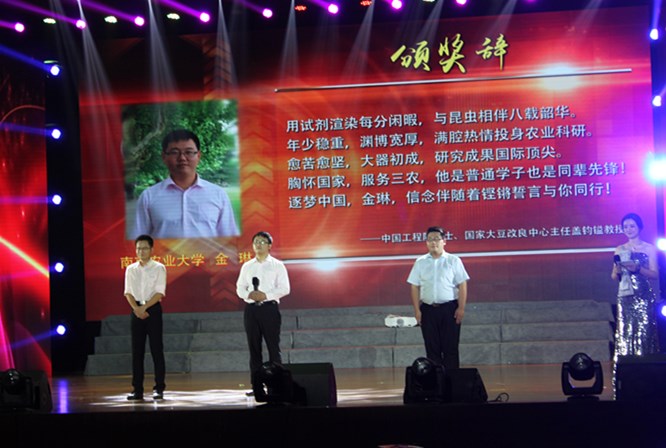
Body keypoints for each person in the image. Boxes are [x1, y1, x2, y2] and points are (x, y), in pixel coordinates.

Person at [133, 129, 239, 239]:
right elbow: (138, 239)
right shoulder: (149, 196)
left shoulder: (218, 194)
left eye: (189, 152)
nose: (182, 158)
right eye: (175, 152)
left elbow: (230, 238)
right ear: (164, 157)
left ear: (198, 156)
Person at [236, 231, 290, 399]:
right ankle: (257, 386)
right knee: (254, 349)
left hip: (269, 309)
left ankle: (277, 386)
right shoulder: (247, 266)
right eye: (256, 242)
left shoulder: (277, 265)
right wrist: (249, 295)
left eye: (262, 242)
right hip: (251, 310)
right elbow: (240, 288)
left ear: (269, 245)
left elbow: (285, 288)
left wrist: (265, 295)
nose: (258, 245)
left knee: (273, 348)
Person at [407, 226, 470, 371]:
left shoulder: (453, 260)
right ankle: (436, 382)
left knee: (450, 348)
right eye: (430, 239)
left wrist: (461, 308)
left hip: (449, 309)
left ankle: (452, 381)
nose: (433, 242)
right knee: (432, 348)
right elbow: (414, 286)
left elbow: (462, 284)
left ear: (444, 241)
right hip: (428, 310)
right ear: (426, 242)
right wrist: (417, 311)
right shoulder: (420, 262)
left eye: (436, 239)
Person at [610, 212, 660, 396]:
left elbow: (655, 275)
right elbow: (614, 276)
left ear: (639, 227)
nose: (629, 229)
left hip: (644, 296)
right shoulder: (619, 249)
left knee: (645, 334)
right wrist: (617, 270)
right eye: (625, 227)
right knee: (626, 334)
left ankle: (649, 381)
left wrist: (637, 268)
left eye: (632, 226)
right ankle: (626, 381)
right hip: (625, 297)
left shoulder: (649, 248)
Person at [124, 234, 167, 400]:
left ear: (151, 250)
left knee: (156, 349)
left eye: (144, 248)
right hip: (136, 310)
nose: (141, 251)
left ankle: (159, 388)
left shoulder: (159, 268)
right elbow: (128, 292)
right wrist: (136, 308)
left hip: (152, 309)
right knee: (137, 351)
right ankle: (137, 390)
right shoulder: (131, 269)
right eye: (138, 248)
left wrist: (145, 307)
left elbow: (159, 292)